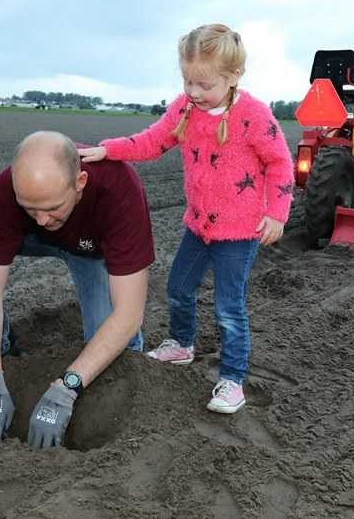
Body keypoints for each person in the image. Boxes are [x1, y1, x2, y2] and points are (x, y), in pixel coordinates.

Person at [79, 24, 294, 415]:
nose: (193, 92)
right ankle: (181, 344)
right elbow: (152, 141)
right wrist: (108, 151)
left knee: (229, 307)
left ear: (233, 77)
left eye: (204, 84)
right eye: (187, 81)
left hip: (239, 233)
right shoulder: (183, 109)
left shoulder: (253, 115)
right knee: (178, 287)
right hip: (199, 228)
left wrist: (276, 213)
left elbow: (280, 163)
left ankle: (232, 380)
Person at [0, 131, 153, 449]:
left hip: (92, 249)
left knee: (116, 360)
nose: (42, 219)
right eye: (31, 209)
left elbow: (128, 313)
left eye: (52, 207)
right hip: (28, 237)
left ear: (80, 182)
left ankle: (118, 377)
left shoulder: (119, 189)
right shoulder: (13, 191)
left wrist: (68, 387)